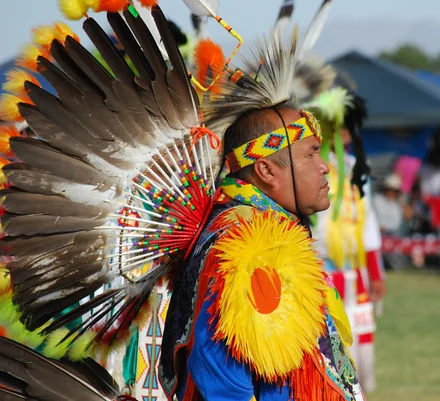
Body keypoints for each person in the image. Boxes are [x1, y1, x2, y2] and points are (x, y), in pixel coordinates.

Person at [0, 3, 363, 401]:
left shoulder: (263, 235)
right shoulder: (248, 247)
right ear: (267, 171)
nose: (326, 167)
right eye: (311, 154)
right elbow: (223, 383)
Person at [306, 87, 385, 393]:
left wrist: (375, 273)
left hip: (357, 274)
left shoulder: (356, 170)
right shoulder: (312, 171)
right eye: (339, 128)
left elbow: (368, 223)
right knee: (329, 346)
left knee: (363, 351)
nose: (346, 134)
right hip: (322, 271)